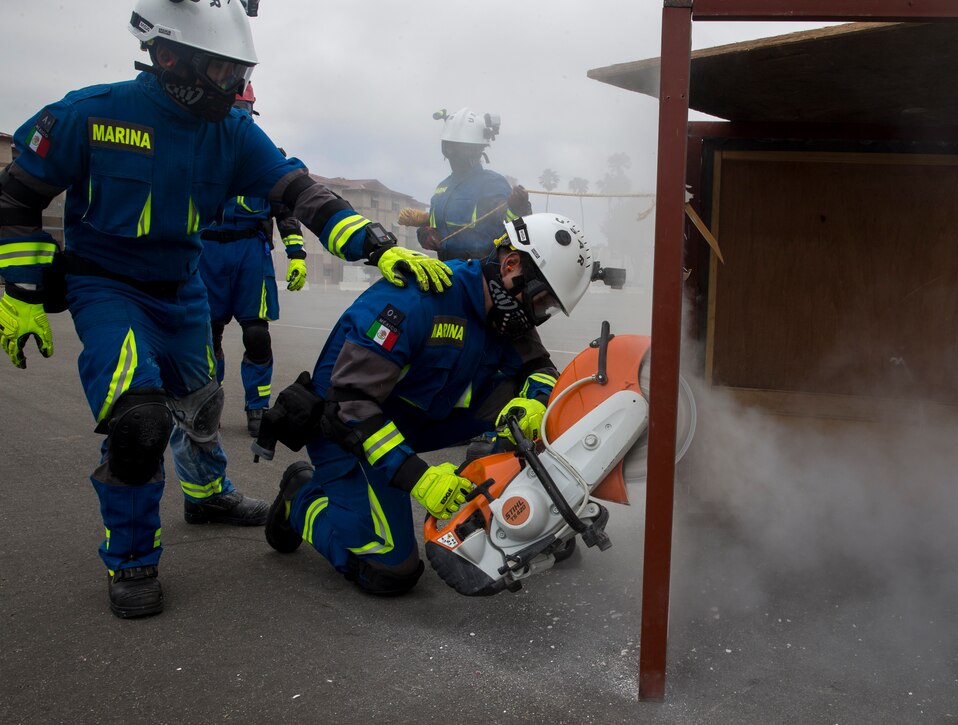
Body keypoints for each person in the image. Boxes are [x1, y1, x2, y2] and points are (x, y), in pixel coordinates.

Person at [0, 0, 450, 619]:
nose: (236, 86)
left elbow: (300, 191)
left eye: (240, 71)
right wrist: (21, 290)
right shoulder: (91, 114)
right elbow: (16, 197)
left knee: (201, 404)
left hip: (184, 289)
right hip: (106, 287)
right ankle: (131, 558)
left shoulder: (231, 130)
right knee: (139, 423)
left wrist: (377, 247)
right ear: (167, 57)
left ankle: (207, 494)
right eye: (223, 71)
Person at [263, 213, 596, 596]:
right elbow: (350, 407)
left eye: (549, 308)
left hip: (411, 420)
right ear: (511, 265)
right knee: (390, 570)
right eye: (541, 301)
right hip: (348, 431)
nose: (538, 315)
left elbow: (540, 367)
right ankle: (300, 496)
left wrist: (536, 405)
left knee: (549, 404)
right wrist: (419, 477)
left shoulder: (505, 312)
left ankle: (525, 498)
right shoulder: (415, 300)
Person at [199, 83, 306, 437]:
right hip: (207, 250)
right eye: (235, 107)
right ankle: (205, 404)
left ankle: (257, 407)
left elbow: (284, 210)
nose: (239, 116)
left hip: (249, 251)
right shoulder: (197, 149)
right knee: (206, 335)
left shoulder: (267, 155)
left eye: (244, 110)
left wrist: (297, 254)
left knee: (257, 336)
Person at [406, 108, 532, 262]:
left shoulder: (491, 183)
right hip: (447, 272)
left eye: (459, 148)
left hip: (481, 275)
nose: (453, 153)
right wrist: (424, 233)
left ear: (476, 150)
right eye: (449, 147)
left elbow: (514, 227)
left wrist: (519, 208)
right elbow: (432, 224)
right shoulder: (442, 188)